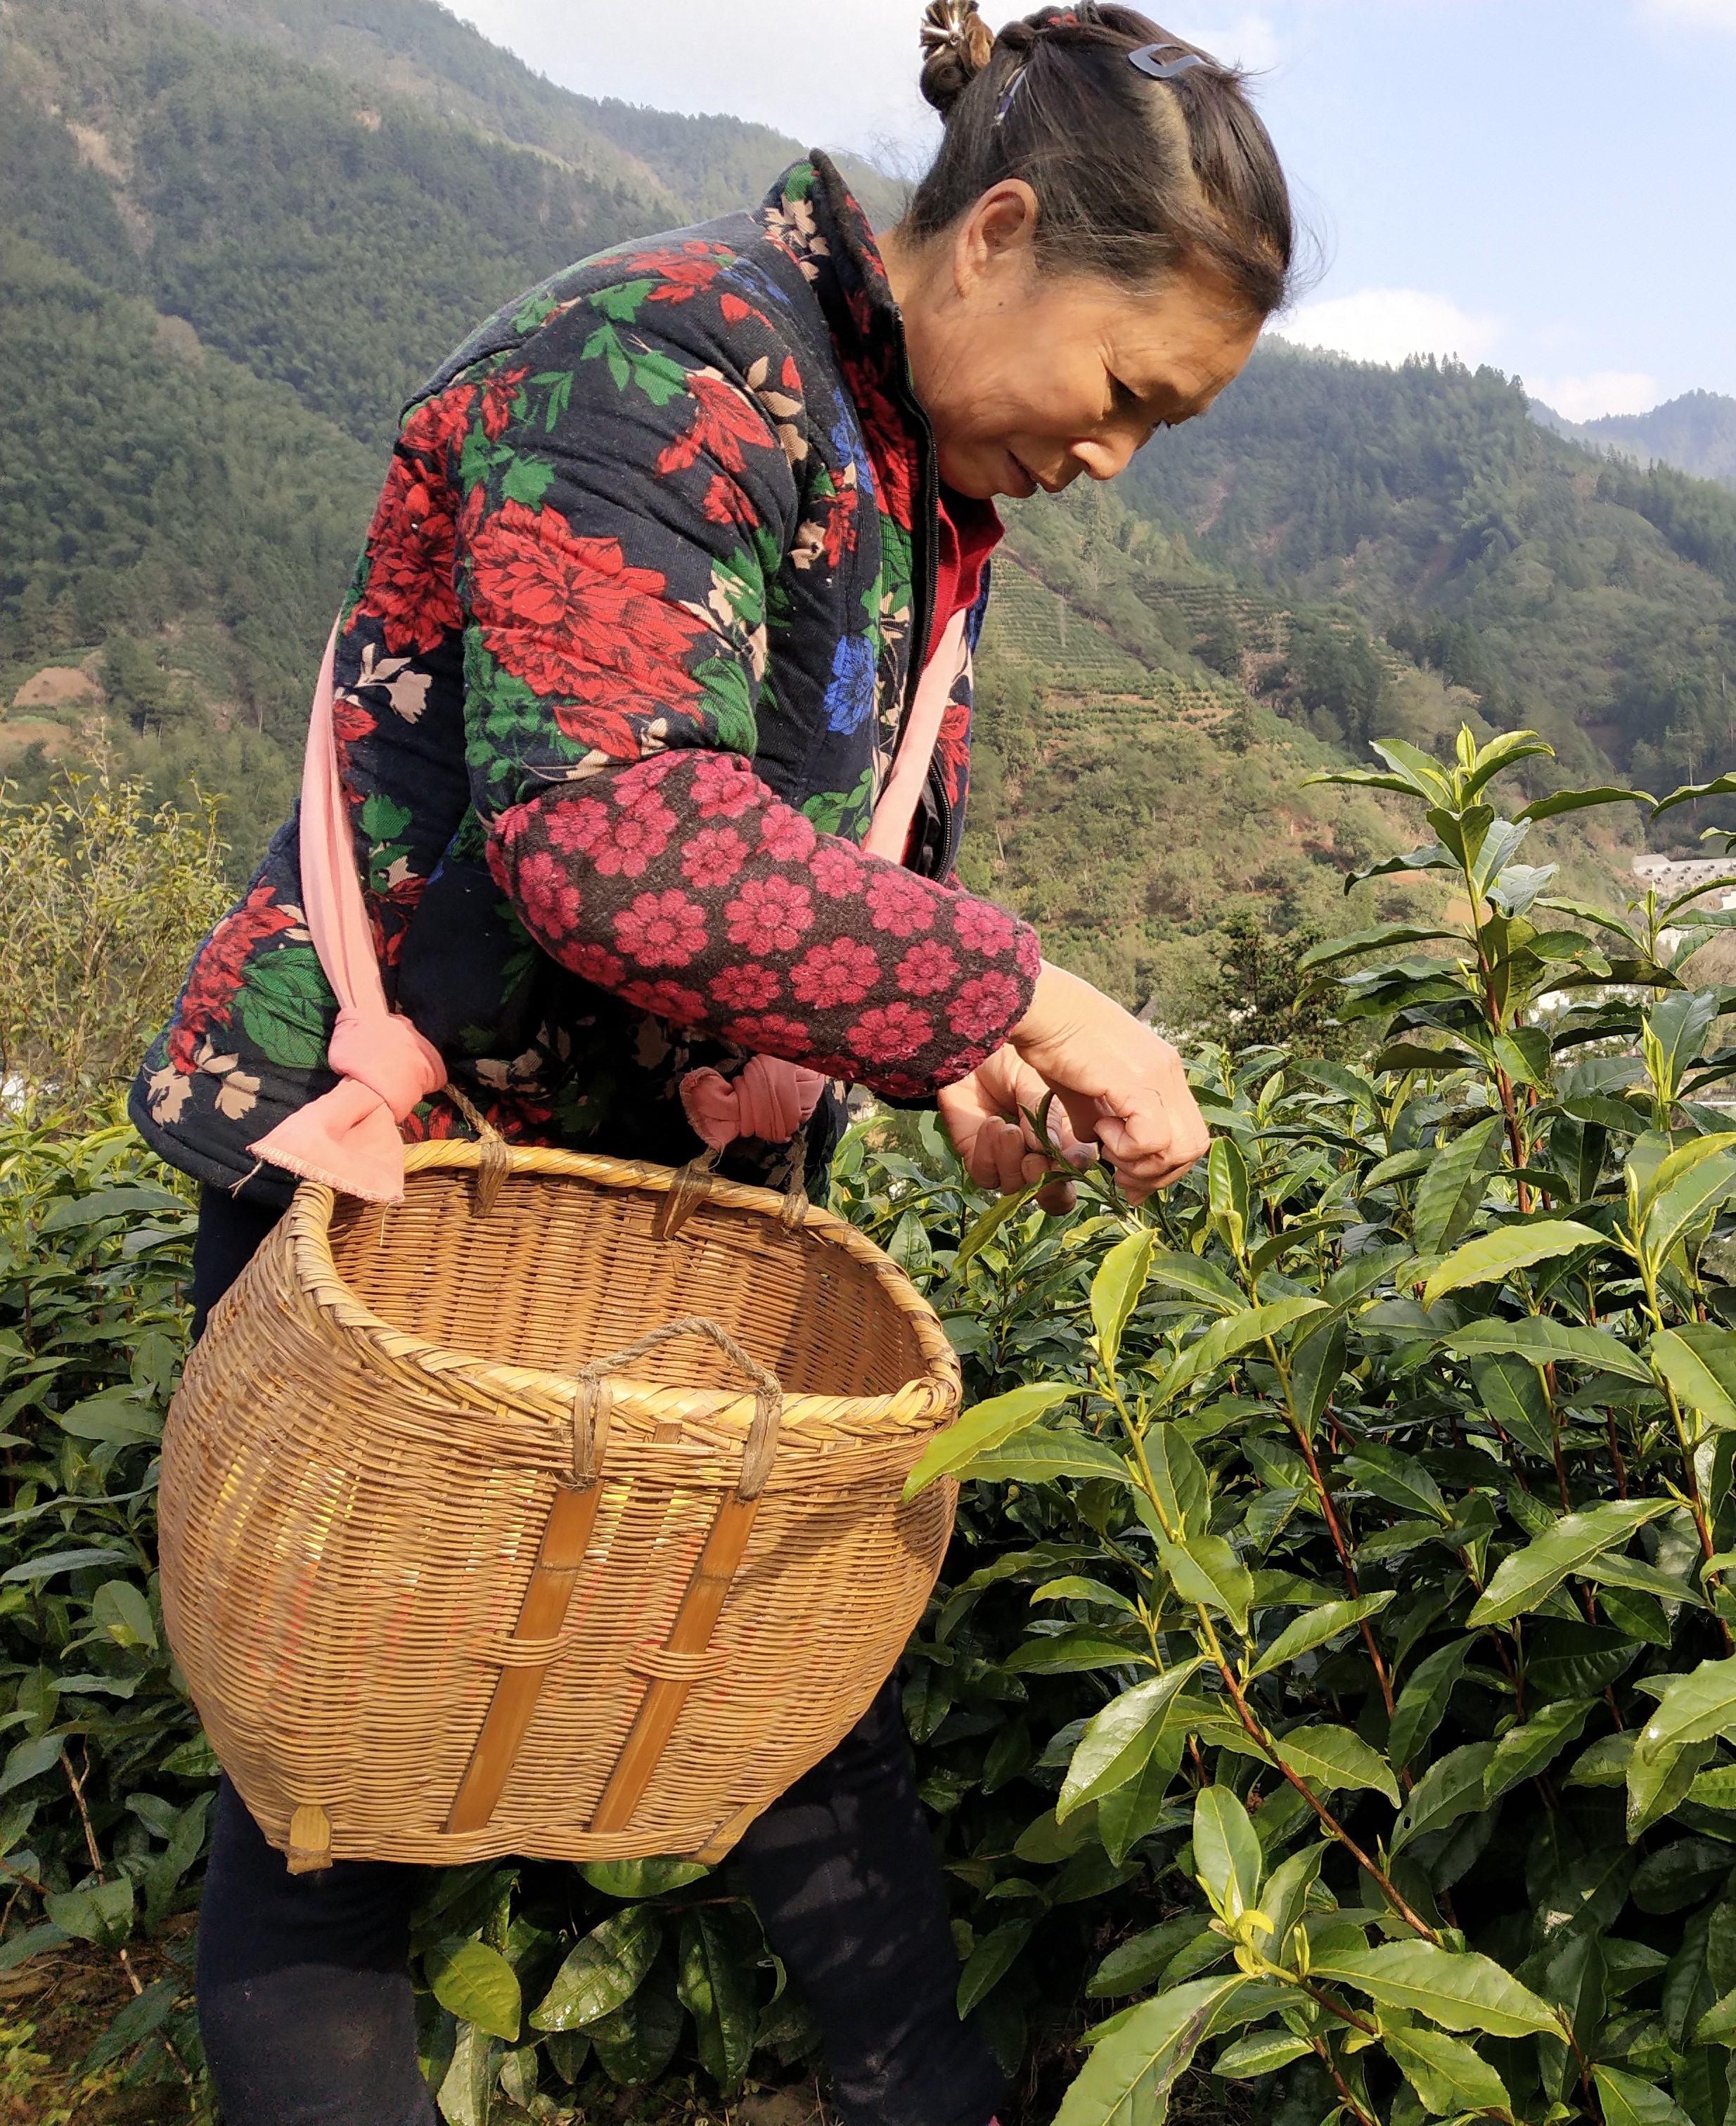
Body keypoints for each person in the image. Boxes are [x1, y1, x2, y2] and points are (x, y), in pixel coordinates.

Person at [128, 5, 1296, 2119]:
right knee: (342, 1774)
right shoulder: (660, 362)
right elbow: (608, 831)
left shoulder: (905, 477)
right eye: (1128, 391)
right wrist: (1032, 992)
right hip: (410, 1179)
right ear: (1001, 235)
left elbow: (818, 865)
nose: (1118, 456)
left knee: (790, 1677)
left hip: (646, 1203)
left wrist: (946, 1062)